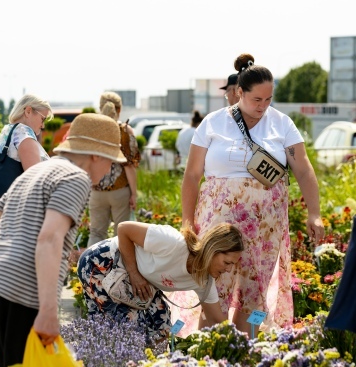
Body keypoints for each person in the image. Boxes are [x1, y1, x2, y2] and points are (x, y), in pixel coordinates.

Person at [176, 53, 324, 335]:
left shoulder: (282, 124)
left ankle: (247, 349)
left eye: (268, 100)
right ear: (238, 93)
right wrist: (186, 220)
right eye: (257, 99)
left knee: (255, 292)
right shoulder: (213, 123)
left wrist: (314, 213)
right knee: (213, 287)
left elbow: (303, 170)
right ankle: (204, 351)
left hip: (265, 226)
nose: (263, 106)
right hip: (218, 224)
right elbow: (192, 175)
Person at [0, 113, 126, 367]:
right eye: (111, 162)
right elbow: (50, 238)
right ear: (96, 155)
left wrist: (4, 274)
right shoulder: (76, 178)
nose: (111, 169)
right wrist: (48, 311)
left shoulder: (34, 172)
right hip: (23, 295)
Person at [77, 221, 244, 343]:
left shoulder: (204, 282)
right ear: (213, 250)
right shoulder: (173, 243)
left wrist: (244, 347)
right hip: (103, 264)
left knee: (162, 325)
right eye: (227, 262)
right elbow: (123, 229)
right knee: (128, 331)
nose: (228, 270)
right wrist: (134, 273)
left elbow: (217, 320)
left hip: (136, 282)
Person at [87, 92, 140, 245]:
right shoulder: (125, 131)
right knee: (120, 235)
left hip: (96, 190)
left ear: (100, 107)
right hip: (120, 191)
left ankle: (92, 268)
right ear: (119, 109)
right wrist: (134, 194)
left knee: (96, 233)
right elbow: (129, 166)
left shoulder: (92, 130)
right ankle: (118, 268)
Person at [0, 94, 53, 171]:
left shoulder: (7, 130)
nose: (43, 126)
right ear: (28, 111)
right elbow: (35, 179)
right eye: (43, 119)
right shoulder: (24, 136)